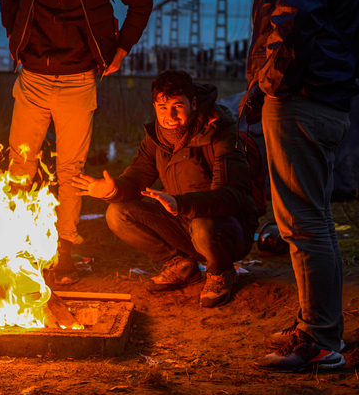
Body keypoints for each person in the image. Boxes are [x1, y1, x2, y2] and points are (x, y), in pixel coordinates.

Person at [236, 0, 359, 371]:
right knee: (311, 219)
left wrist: (264, 84)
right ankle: (315, 326)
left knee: (303, 222)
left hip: (301, 96)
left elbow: (296, 15)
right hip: (315, 93)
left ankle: (321, 343)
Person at [0, 0, 153, 285]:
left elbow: (142, 2)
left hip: (78, 80)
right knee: (20, 164)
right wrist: (16, 39)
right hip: (32, 77)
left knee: (69, 170)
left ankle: (63, 251)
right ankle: (11, 248)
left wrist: (119, 52)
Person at [73, 70, 258, 307]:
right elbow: (137, 178)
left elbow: (231, 197)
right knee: (118, 213)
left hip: (228, 227)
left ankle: (221, 273)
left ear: (192, 103)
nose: (169, 116)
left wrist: (181, 203)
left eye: (177, 107)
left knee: (202, 224)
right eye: (162, 108)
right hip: (181, 218)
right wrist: (112, 190)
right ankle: (181, 265)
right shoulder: (157, 138)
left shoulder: (220, 132)